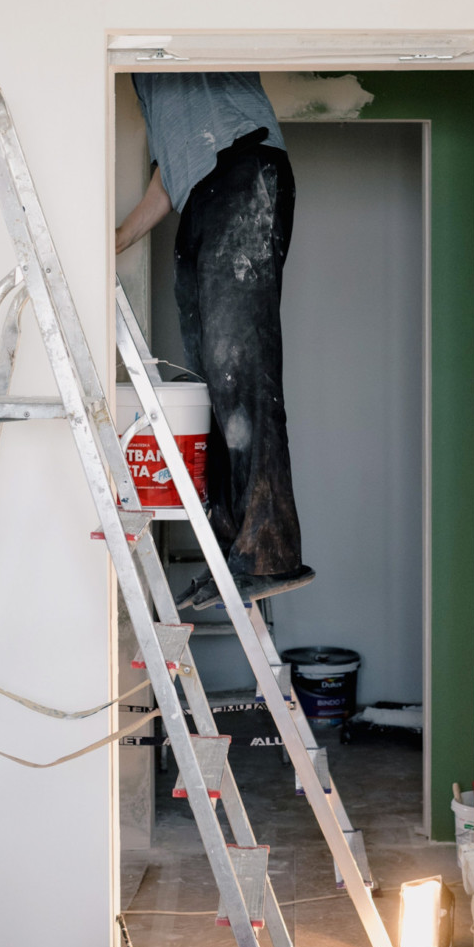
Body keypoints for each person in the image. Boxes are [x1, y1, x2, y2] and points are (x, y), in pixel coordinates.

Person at [115, 72, 314, 611]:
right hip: (198, 196)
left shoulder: (178, 36)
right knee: (216, 383)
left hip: (242, 171)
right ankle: (236, 552)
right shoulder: (143, 76)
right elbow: (168, 175)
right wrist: (118, 240)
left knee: (241, 371)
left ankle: (270, 552)